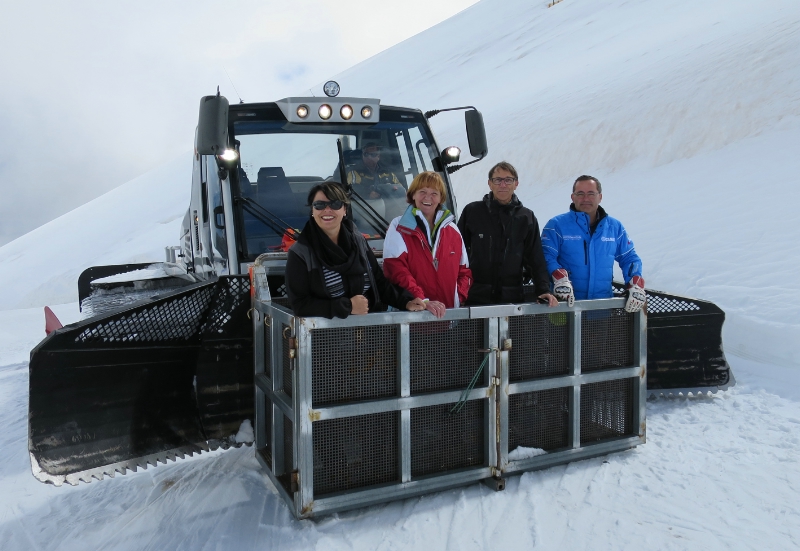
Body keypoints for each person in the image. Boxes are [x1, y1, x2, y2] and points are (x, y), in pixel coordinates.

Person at [285, 182, 428, 318]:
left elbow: (379, 283)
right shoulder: (301, 253)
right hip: (325, 334)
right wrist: (348, 307)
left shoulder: (358, 241)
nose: (327, 210)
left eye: (335, 204)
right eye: (319, 205)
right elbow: (300, 305)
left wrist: (406, 302)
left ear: (345, 209)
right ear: (312, 210)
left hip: (368, 329)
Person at [457, 161, 557, 307]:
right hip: (475, 298)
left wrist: (543, 289)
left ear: (516, 184)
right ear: (490, 184)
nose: (503, 185)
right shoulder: (473, 212)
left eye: (508, 180)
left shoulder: (526, 218)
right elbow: (457, 253)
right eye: (497, 180)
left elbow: (535, 258)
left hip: (512, 300)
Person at [541, 175, 645, 312]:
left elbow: (629, 258)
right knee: (562, 327)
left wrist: (635, 282)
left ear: (600, 197)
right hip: (564, 308)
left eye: (591, 194)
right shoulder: (556, 225)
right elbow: (546, 255)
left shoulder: (614, 227)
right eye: (580, 194)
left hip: (602, 310)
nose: (585, 199)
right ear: (572, 197)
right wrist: (559, 277)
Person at [383, 171, 472, 319]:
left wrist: (458, 297)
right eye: (422, 192)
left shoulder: (452, 230)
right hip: (411, 319)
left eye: (434, 193)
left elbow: (464, 272)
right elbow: (396, 270)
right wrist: (422, 300)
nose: (428, 197)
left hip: (448, 318)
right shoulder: (399, 226)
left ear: (441, 198)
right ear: (413, 195)